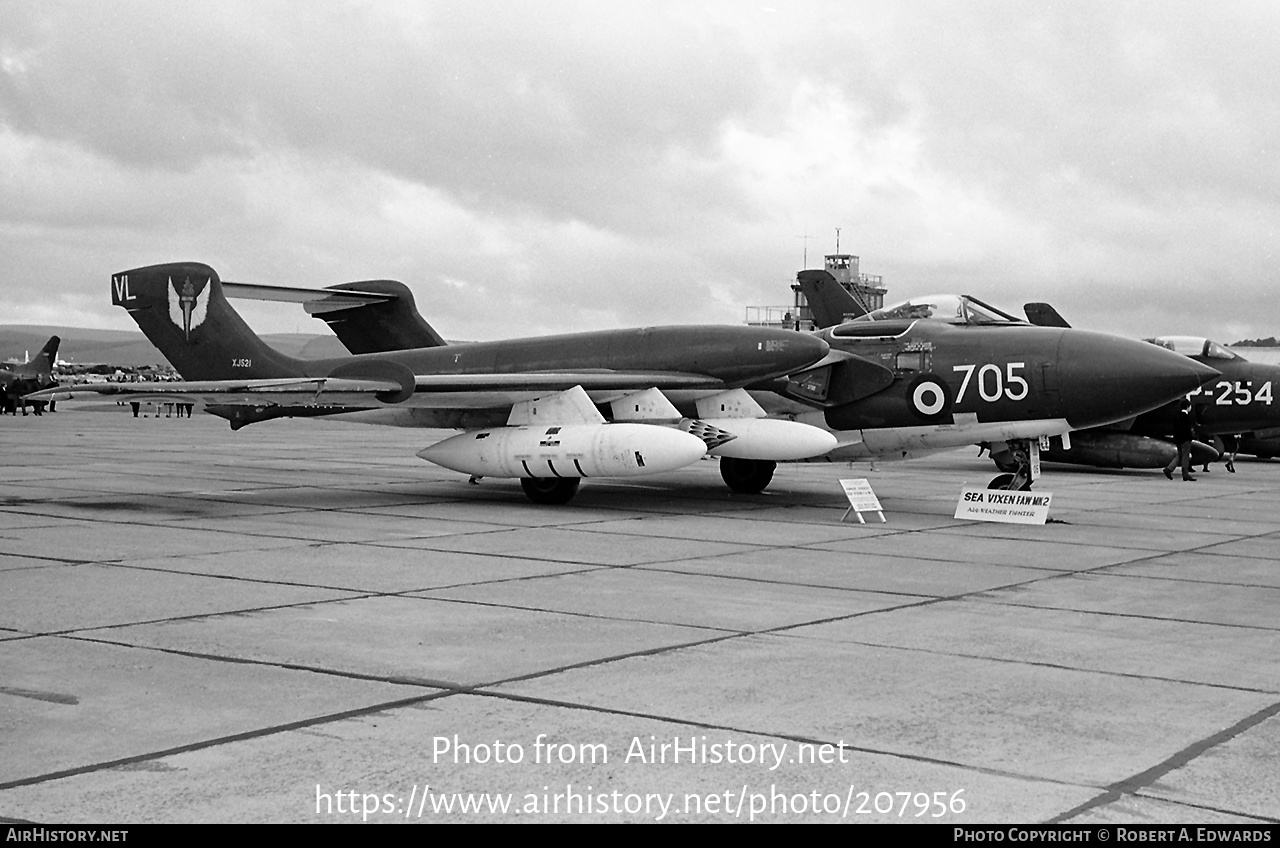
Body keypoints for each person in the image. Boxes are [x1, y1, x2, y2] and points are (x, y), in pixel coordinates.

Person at [1163, 398, 1196, 481]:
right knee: (1185, 456)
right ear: (1188, 407)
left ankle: (1169, 469)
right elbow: (1187, 429)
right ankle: (1185, 474)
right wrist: (1191, 437)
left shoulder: (1177, 416)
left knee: (1180, 455)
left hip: (1178, 439)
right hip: (1185, 440)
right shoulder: (1186, 416)